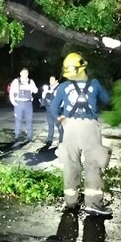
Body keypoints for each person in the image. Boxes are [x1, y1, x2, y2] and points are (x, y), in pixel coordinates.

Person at [49, 53, 112, 216]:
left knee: (70, 164)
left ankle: (71, 201)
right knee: (93, 165)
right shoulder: (95, 83)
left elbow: (53, 107)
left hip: (70, 128)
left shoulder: (63, 87)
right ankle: (93, 203)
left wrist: (60, 119)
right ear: (83, 66)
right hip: (89, 128)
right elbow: (107, 99)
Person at [9, 67, 38, 141]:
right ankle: (16, 136)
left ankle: (29, 137)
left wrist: (30, 86)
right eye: (23, 73)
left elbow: (36, 90)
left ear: (28, 74)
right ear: (20, 73)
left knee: (29, 120)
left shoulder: (31, 81)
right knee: (18, 120)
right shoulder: (16, 81)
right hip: (19, 103)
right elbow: (11, 92)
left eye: (26, 73)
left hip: (28, 104)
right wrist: (14, 103)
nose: (25, 74)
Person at [41, 75, 63, 146]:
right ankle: (49, 140)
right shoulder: (48, 87)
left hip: (56, 110)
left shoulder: (59, 88)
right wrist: (45, 91)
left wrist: (50, 91)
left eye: (53, 79)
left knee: (58, 125)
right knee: (50, 125)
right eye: (50, 80)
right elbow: (43, 97)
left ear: (56, 81)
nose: (51, 81)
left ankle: (61, 140)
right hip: (48, 109)